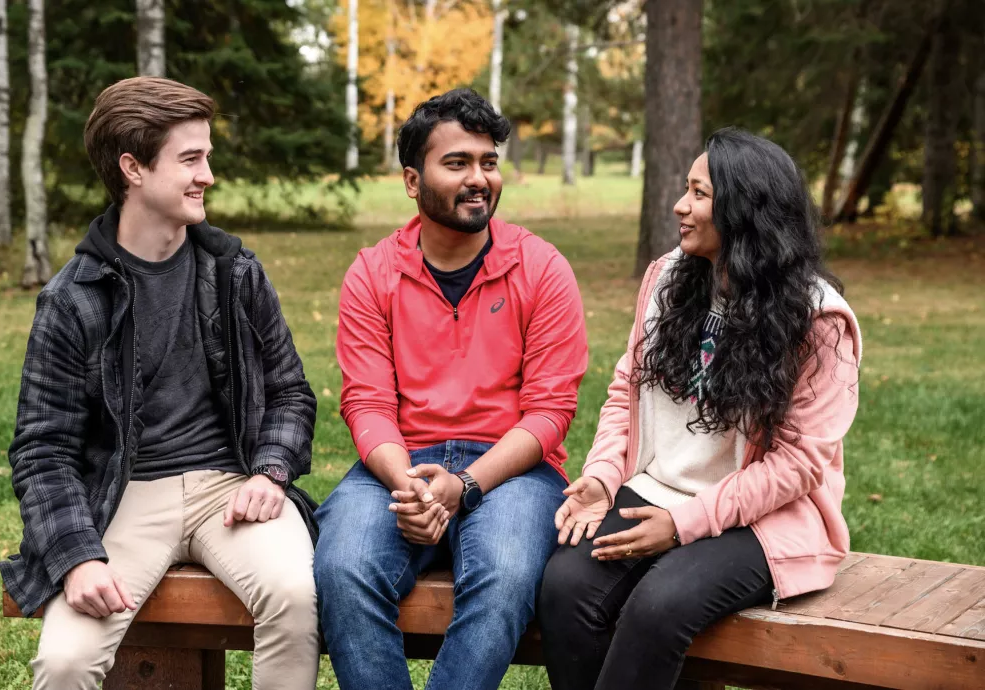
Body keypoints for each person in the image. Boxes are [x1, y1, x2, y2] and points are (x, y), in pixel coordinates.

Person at [0, 77, 321, 690]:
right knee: (65, 661)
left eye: (208, 156)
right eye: (191, 159)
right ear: (133, 168)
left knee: (295, 597)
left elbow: (290, 392)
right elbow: (42, 449)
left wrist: (270, 469)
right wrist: (76, 557)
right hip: (123, 498)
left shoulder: (234, 271)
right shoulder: (73, 300)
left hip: (231, 489)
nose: (208, 174)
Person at [537, 127, 862, 690]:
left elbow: (799, 465)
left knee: (659, 607)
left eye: (699, 194)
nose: (679, 206)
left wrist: (684, 525)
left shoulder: (820, 321)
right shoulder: (667, 278)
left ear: (744, 211)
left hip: (762, 516)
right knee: (565, 589)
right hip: (657, 489)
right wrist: (603, 476)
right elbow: (627, 390)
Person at [313, 88, 589, 690]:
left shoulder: (542, 268)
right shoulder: (373, 273)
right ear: (413, 180)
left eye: (488, 162)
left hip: (512, 469)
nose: (479, 179)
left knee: (508, 573)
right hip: (399, 463)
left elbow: (549, 413)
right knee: (342, 566)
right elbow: (366, 403)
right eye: (457, 162)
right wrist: (408, 485)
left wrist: (462, 488)